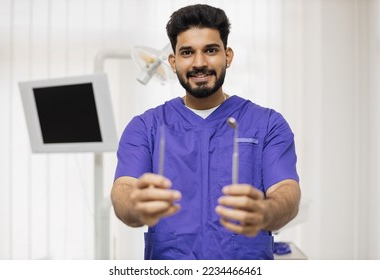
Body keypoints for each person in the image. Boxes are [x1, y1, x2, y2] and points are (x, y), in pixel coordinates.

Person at [111, 4, 300, 260]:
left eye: (210, 50)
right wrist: (134, 205)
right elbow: (123, 188)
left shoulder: (268, 124)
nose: (199, 63)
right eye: (187, 52)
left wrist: (266, 212)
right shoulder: (146, 127)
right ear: (173, 62)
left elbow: (286, 190)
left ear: (227, 56)